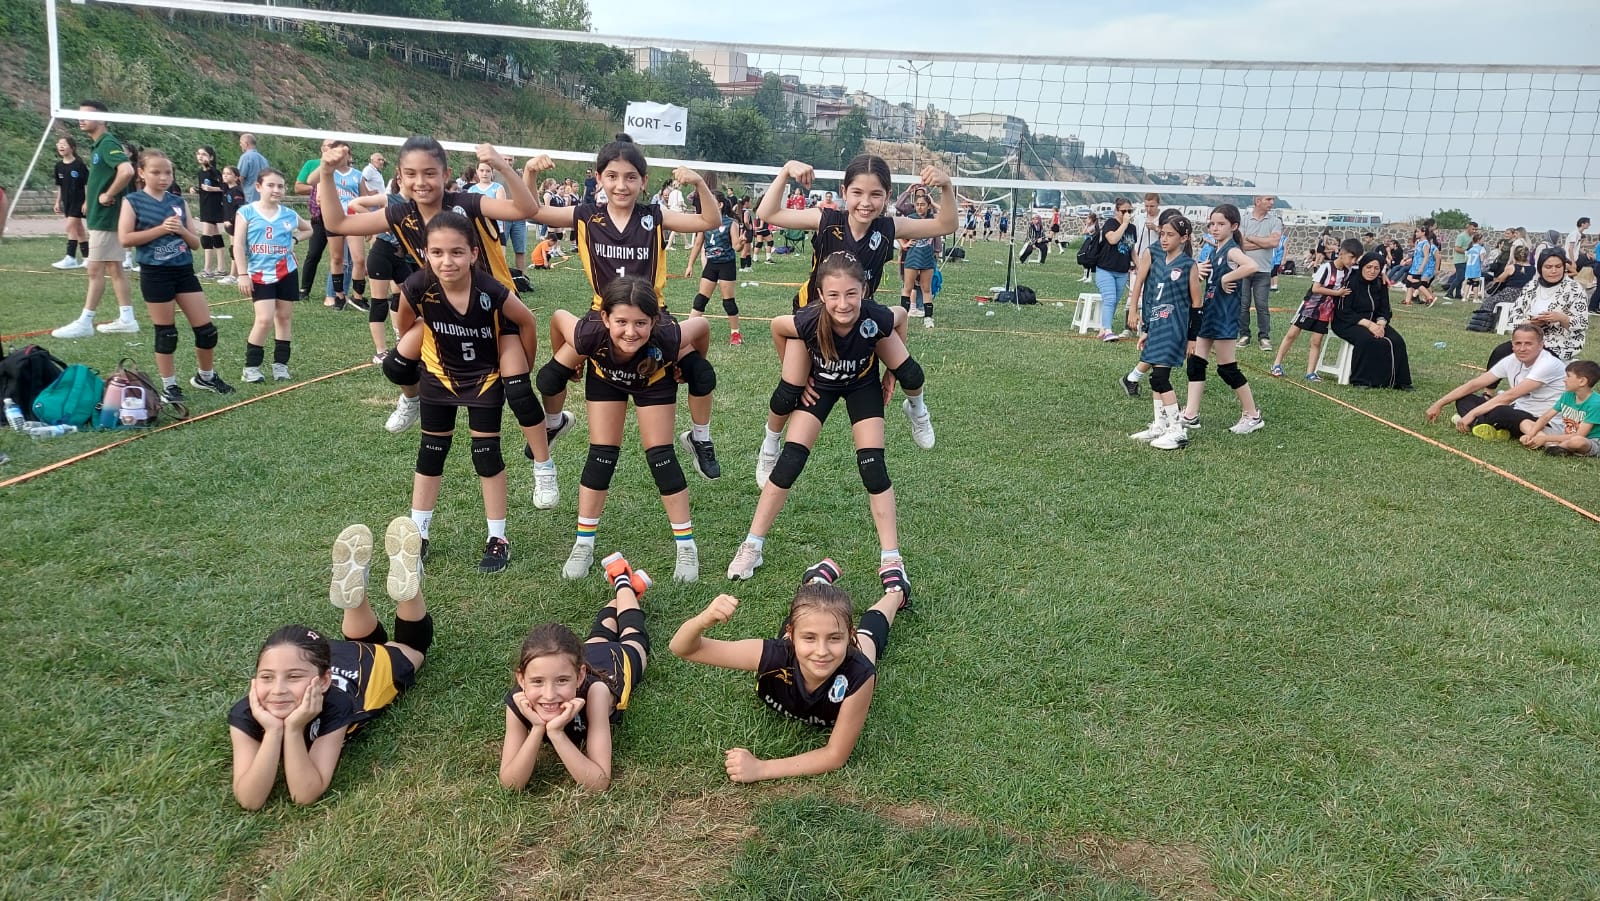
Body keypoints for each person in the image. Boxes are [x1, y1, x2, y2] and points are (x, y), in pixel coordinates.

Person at [318, 139, 561, 511]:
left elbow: (526, 209)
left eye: (430, 173)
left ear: (446, 175)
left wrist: (501, 164)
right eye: (411, 174)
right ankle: (412, 398)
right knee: (396, 364)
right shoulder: (401, 214)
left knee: (518, 391)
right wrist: (326, 172)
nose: (421, 182)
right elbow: (337, 223)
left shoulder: (466, 204)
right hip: (444, 313)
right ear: (400, 178)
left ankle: (543, 466)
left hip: (494, 311)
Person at [524, 136, 725, 481]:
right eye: (612, 176)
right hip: (604, 316)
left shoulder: (654, 216)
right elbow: (530, 210)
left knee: (702, 374)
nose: (621, 185)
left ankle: (699, 437)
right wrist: (529, 173)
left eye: (631, 177)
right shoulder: (586, 215)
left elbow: (710, 220)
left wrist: (697, 184)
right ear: (599, 178)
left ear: (644, 181)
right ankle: (554, 423)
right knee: (549, 378)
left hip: (651, 318)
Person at [727, 253, 932, 583]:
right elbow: (777, 327)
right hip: (820, 385)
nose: (843, 303)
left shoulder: (875, 316)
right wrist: (798, 374)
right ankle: (752, 545)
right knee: (790, 462)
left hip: (861, 385)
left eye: (851, 293)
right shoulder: (810, 319)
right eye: (834, 295)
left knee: (873, 467)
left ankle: (892, 558)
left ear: (864, 291)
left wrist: (891, 373)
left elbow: (902, 315)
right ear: (821, 295)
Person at [749, 155, 952, 482]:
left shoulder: (889, 227)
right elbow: (768, 213)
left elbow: (946, 224)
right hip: (815, 319)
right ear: (844, 191)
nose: (865, 202)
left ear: (887, 195)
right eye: (857, 192)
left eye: (875, 194)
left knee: (911, 373)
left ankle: (916, 408)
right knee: (789, 392)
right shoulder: (826, 219)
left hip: (859, 320)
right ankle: (770, 444)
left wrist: (946, 187)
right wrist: (786, 171)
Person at [228, 517, 432, 810]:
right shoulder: (246, 711)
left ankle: (392, 595)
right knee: (381, 644)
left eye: (292, 677)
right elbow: (251, 798)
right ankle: (373, 598)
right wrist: (274, 731)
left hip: (363, 669)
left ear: (323, 682)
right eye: (267, 677)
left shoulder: (335, 704)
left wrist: (293, 730)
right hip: (328, 657)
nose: (278, 689)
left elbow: (305, 792)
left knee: (411, 650)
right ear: (254, 681)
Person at [381, 211, 532, 573]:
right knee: (431, 452)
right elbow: (405, 320)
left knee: (486, 453)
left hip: (483, 377)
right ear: (426, 253)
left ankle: (498, 538)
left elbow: (526, 320)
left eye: (456, 252)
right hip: (439, 375)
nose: (446, 261)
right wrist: (419, 344)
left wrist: (522, 363)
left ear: (474, 253)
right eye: (437, 252)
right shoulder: (417, 285)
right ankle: (418, 534)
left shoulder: (490, 289)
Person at [670, 557, 907, 782]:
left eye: (835, 638)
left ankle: (896, 591)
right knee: (812, 610)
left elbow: (835, 755)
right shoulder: (774, 655)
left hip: (850, 648)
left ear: (848, 636)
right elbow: (682, 648)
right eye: (809, 638)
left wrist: (761, 768)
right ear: (791, 635)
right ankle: (816, 581)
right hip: (795, 640)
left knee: (867, 640)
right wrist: (703, 620)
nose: (822, 651)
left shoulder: (859, 675)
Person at [540, 277, 712, 582]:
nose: (630, 331)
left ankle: (686, 547)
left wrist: (692, 364)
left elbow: (701, 326)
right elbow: (557, 318)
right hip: (606, 379)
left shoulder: (667, 334)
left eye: (640, 323)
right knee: (601, 455)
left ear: (654, 321)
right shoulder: (589, 333)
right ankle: (583, 544)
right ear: (605, 318)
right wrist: (569, 364)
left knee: (661, 457)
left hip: (653, 380)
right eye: (621, 321)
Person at [499, 552, 652, 792]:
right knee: (600, 632)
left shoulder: (596, 693)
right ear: (521, 678)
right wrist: (538, 729)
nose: (549, 694)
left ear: (579, 676)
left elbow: (599, 782)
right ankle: (632, 589)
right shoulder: (518, 701)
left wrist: (557, 734)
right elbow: (510, 784)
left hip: (613, 661)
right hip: (581, 654)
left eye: (561, 681)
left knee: (634, 636)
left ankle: (622, 579)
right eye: (537, 681)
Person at [117, 148, 234, 400]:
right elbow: (125, 239)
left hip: (183, 272)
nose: (163, 177)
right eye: (156, 172)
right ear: (141, 173)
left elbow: (195, 243)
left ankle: (206, 377)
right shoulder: (133, 201)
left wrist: (181, 230)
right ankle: (169, 386)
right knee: (166, 333)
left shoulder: (178, 202)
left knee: (207, 331)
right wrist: (161, 229)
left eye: (168, 172)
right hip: (155, 274)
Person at [51, 102, 138, 338]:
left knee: (94, 268)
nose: (81, 119)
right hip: (102, 216)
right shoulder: (99, 145)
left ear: (102, 119)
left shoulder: (107, 143)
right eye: (79, 115)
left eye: (87, 116)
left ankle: (85, 322)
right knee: (113, 267)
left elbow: (127, 171)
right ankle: (127, 318)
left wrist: (108, 194)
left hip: (106, 217)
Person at [1179, 204, 1264, 436]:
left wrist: (1227, 277)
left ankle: (1252, 415)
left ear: (1233, 226)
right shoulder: (1215, 250)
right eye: (1212, 224)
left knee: (1227, 368)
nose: (1214, 228)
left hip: (1224, 316)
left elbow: (1252, 265)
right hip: (1210, 312)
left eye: (1221, 224)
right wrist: (1200, 272)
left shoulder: (1231, 251)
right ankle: (1191, 414)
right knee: (1196, 362)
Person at [1126, 211, 1200, 450]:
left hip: (1175, 329)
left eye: (1170, 235)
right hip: (1157, 326)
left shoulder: (1188, 265)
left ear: (1184, 238)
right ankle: (1160, 425)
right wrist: (1147, 329)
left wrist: (1192, 338)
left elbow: (1197, 305)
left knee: (1159, 378)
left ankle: (1177, 430)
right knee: (1156, 379)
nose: (1164, 239)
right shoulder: (1157, 263)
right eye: (1162, 234)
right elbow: (1154, 299)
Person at [235, 167, 313, 384]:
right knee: (264, 319)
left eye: (280, 186)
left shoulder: (289, 214)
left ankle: (281, 365)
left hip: (286, 271)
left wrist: (295, 240)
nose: (276, 190)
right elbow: (238, 245)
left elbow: (309, 229)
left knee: (284, 318)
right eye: (271, 185)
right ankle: (251, 367)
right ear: (258, 187)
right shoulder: (246, 212)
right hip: (260, 274)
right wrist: (242, 274)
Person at [1426, 325, 1565, 440]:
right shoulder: (1512, 360)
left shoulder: (1548, 364)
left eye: (1528, 344)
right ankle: (1491, 427)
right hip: (1518, 410)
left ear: (1541, 345)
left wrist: (1472, 413)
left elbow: (1509, 396)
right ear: (1512, 345)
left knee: (1501, 411)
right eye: (1518, 343)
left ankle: (1481, 423)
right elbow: (1474, 384)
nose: (1522, 348)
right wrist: (1439, 404)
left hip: (1543, 421)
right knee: (1464, 399)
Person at [1270, 238, 1361, 381]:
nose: (1353, 261)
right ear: (1341, 253)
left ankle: (1310, 372)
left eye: (1356, 259)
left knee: (1316, 341)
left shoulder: (1348, 271)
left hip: (1326, 311)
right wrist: (1337, 293)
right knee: (1292, 334)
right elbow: (1316, 288)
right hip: (1310, 306)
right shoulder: (1326, 268)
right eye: (1351, 257)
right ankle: (1276, 364)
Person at [1490, 250, 1590, 363]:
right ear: (1540, 268)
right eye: (1548, 267)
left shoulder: (1575, 289)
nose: (1554, 271)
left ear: (1564, 267)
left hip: (1559, 343)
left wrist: (1561, 318)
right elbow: (1514, 316)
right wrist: (1530, 323)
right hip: (1528, 340)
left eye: (1558, 266)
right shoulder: (1531, 286)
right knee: (1500, 353)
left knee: (1538, 360)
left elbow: (1582, 323)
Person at [1333, 252, 1412, 390]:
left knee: (1397, 341)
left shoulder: (1380, 283)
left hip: (1375, 322)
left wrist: (1381, 324)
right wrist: (1369, 325)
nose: (1372, 271)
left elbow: (1385, 308)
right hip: (1347, 322)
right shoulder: (1351, 281)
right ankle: (1361, 380)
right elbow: (1344, 311)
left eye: (1376, 268)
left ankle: (1400, 381)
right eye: (1368, 267)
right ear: (1362, 266)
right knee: (1366, 339)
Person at [684, 184, 745, 346]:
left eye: (711, 201)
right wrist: (690, 265)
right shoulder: (705, 223)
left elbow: (736, 247)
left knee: (728, 302)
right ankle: (687, 332)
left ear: (720, 205)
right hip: (711, 265)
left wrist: (741, 242)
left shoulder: (730, 223)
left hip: (726, 265)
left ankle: (735, 333)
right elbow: (698, 244)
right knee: (700, 300)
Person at [1516, 360, 1600, 456]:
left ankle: (1553, 445)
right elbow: (1545, 417)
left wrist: (1545, 438)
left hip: (1589, 440)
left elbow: (1580, 435)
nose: (1564, 380)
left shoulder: (1596, 403)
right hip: (1565, 435)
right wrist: (1529, 435)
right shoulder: (1568, 395)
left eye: (1568, 376)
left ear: (1582, 381)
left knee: (1577, 441)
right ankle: (1553, 446)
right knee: (1525, 423)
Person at [1236, 195, 1283, 351]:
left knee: (1262, 305)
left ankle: (1264, 337)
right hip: (1243, 269)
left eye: (1272, 199)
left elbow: (1274, 242)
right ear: (1257, 201)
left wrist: (1250, 238)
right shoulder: (1243, 219)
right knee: (1243, 305)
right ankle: (1244, 335)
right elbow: (1240, 244)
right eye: (1268, 199)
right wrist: (1264, 242)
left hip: (1263, 270)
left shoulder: (1275, 221)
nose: (1272, 203)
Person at [1093, 198, 1137, 342]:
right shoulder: (1110, 223)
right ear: (1116, 211)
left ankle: (1104, 328)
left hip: (1122, 271)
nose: (1127, 214)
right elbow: (1112, 239)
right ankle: (1108, 331)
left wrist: (1140, 266)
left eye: (1130, 211)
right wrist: (1124, 224)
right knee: (1110, 298)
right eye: (1124, 211)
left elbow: (1132, 250)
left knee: (1114, 301)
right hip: (1105, 269)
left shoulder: (1132, 228)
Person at [898, 191, 939, 328]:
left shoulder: (933, 219)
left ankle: (928, 318)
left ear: (928, 206)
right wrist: (904, 244)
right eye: (917, 204)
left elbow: (946, 214)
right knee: (907, 288)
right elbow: (896, 230)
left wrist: (934, 203)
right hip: (912, 258)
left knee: (926, 289)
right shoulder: (911, 218)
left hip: (927, 258)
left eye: (923, 204)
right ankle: (903, 317)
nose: (920, 207)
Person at [50, 136, 89, 270]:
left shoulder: (79, 165)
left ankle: (70, 257)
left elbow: (87, 185)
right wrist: (57, 202)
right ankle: (87, 258)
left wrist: (86, 202)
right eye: (59, 144)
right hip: (67, 201)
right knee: (79, 229)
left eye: (64, 144)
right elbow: (60, 186)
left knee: (70, 227)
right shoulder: (58, 166)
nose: (61, 146)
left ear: (72, 148)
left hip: (79, 201)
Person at [192, 145, 228, 278]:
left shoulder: (214, 172)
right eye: (198, 154)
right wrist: (196, 189)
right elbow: (204, 188)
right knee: (216, 236)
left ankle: (208, 269)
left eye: (204, 154)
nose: (200, 156)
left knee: (206, 237)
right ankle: (221, 268)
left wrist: (211, 189)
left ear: (211, 157)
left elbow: (224, 187)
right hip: (205, 205)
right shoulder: (201, 173)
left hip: (213, 206)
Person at [218, 166, 247, 283]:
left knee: (235, 248)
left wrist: (231, 220)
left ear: (236, 177)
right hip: (230, 224)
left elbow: (240, 208)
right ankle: (235, 274)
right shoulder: (227, 190)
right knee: (233, 248)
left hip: (236, 224)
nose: (225, 175)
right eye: (224, 173)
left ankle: (235, 275)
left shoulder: (236, 191)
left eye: (228, 174)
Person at [1402, 225, 1438, 306]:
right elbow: (1415, 254)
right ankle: (1408, 301)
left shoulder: (1425, 244)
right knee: (1408, 281)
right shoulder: (1418, 242)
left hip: (1419, 266)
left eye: (1418, 231)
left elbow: (1426, 256)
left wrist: (1421, 267)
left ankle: (1430, 297)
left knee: (1415, 282)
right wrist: (1408, 260)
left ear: (1423, 232)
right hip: (1414, 265)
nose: (1416, 233)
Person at [1447, 221, 1480, 299]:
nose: (1474, 231)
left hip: (1467, 261)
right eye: (1473, 229)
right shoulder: (1461, 236)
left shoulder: (1472, 237)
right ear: (1468, 227)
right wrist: (1467, 252)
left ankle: (1458, 294)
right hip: (1459, 260)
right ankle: (1449, 292)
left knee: (1462, 278)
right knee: (1460, 277)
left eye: (1476, 229)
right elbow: (1457, 248)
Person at [236, 133, 268, 204]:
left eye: (241, 142)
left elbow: (240, 178)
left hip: (248, 197)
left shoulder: (245, 157)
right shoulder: (264, 159)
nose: (240, 145)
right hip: (262, 197)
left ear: (246, 144)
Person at [1078, 213, 1099, 284]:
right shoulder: (1090, 226)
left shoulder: (1093, 227)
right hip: (1086, 245)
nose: (1086, 220)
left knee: (1089, 261)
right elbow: (1083, 232)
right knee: (1084, 259)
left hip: (1090, 246)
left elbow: (1083, 232)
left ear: (1091, 219)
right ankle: (1085, 276)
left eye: (1087, 218)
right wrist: (1087, 225)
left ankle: (1089, 277)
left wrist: (1086, 225)